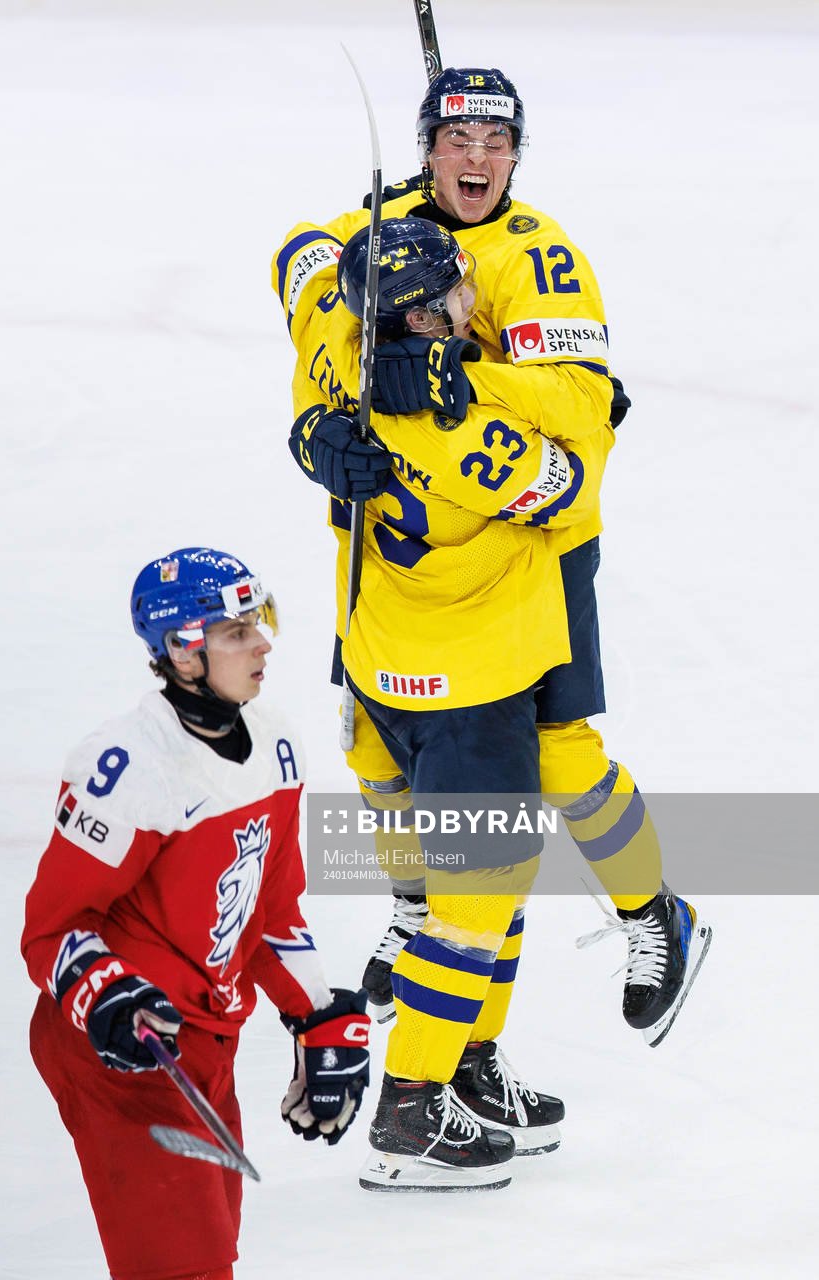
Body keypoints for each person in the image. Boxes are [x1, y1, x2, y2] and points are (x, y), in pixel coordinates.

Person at [273, 66, 711, 1054]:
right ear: (427, 147)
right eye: (457, 140)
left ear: (517, 154)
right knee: (373, 743)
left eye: (495, 143)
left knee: (551, 757)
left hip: (530, 541)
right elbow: (304, 277)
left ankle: (651, 909)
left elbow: (584, 404)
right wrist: (313, 433)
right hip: (395, 556)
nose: (476, 158)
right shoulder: (378, 227)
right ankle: (416, 906)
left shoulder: (539, 255)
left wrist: (459, 373)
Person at [287, 216, 617, 1192]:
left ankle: (468, 1067)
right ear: (432, 315)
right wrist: (480, 383)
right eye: (460, 291)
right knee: (474, 905)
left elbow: (298, 259)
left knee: (480, 897)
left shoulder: (335, 351)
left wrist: (308, 431)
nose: (477, 298)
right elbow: (569, 487)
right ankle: (411, 1108)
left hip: (379, 672)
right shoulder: (467, 433)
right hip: (474, 692)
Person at [21, 547, 370, 1280]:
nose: (263, 644)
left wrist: (314, 1012)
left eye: (259, 623)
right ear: (182, 650)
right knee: (183, 1268)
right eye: (237, 631)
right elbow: (52, 928)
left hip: (207, 1042)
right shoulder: (127, 767)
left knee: (208, 1252)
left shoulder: (276, 743)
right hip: (124, 1053)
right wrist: (108, 996)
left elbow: (269, 908)